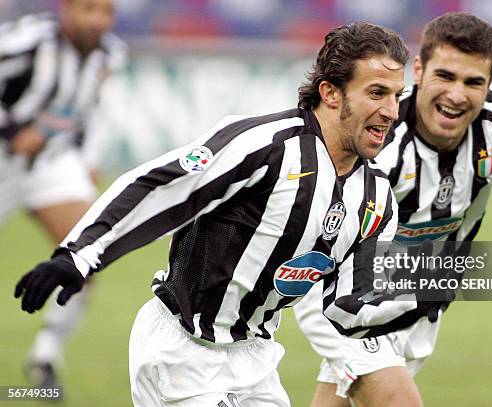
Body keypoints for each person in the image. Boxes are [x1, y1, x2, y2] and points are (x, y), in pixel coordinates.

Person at [14, 21, 450, 407]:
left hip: (256, 360)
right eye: (376, 93)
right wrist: (79, 254)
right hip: (183, 351)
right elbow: (162, 185)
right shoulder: (265, 145)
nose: (392, 112)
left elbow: (350, 307)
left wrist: (432, 284)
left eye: (397, 96)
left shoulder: (375, 199)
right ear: (330, 93)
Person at [294, 12, 492, 407]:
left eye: (474, 82)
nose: (457, 95)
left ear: (490, 84)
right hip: (340, 294)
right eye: (446, 76)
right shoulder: (379, 132)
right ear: (418, 70)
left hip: (417, 301)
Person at [0, 0, 126, 389]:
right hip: (3, 160)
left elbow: (88, 108)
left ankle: (45, 357)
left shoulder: (110, 53)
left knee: (86, 250)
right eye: (88, 9)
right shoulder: (26, 42)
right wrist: (10, 131)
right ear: (66, 9)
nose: (97, 21)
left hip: (51, 162)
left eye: (105, 11)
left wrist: (88, 155)